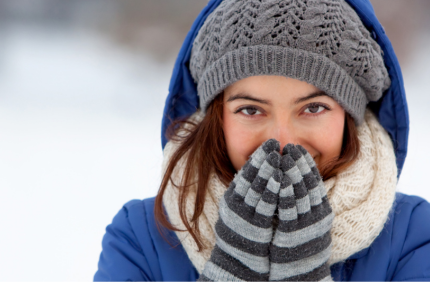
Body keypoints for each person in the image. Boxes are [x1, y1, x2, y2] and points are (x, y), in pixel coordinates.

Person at [94, 0, 430, 281]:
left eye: (313, 108)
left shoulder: (412, 236)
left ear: (349, 116)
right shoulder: (140, 238)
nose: (282, 141)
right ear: (217, 118)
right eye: (251, 109)